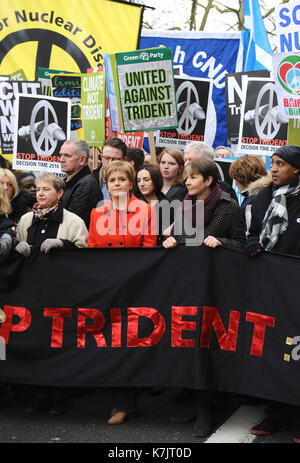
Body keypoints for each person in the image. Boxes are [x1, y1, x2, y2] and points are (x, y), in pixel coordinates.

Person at [162, 157, 245, 438]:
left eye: (194, 177)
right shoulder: (183, 205)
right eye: (187, 177)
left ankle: (207, 411)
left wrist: (222, 242)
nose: (187, 182)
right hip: (186, 283)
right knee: (188, 343)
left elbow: (241, 243)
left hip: (214, 287)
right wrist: (170, 239)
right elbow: (181, 239)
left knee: (206, 345)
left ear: (208, 180)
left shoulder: (228, 207)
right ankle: (196, 402)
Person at [88, 160, 157, 424]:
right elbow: (93, 248)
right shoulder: (98, 212)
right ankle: (121, 401)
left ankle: (125, 403)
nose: (116, 184)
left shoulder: (146, 210)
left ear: (131, 183)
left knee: (127, 344)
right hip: (106, 286)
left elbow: (149, 249)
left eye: (121, 180)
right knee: (108, 343)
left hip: (135, 287)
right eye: (111, 180)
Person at [15, 173, 88, 414]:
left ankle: (60, 397)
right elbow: (17, 251)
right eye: (37, 189)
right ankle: (39, 396)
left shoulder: (74, 221)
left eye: (46, 189)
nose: (40, 193)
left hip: (62, 293)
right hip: (33, 292)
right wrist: (19, 247)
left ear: (60, 193)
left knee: (59, 345)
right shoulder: (26, 220)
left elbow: (85, 253)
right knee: (36, 342)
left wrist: (64, 245)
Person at [244, 145, 300, 442]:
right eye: (272, 163)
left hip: (296, 285)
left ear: (296, 169)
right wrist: (252, 243)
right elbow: (252, 231)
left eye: (280, 164)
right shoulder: (264, 195)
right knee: (275, 348)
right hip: (271, 285)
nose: (274, 168)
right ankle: (276, 412)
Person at [59, 138, 102, 229]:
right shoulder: (67, 180)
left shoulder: (87, 185)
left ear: (82, 160)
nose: (61, 160)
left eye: (67, 155)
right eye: (61, 155)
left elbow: (73, 223)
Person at [229, 155, 271, 234]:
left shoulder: (251, 203)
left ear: (239, 178)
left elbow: (248, 234)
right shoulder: (267, 192)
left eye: (234, 178)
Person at [135, 164, 170, 245]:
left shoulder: (168, 206)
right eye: (138, 181)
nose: (141, 184)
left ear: (156, 180)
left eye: (146, 180)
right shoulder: (132, 205)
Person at [94, 137, 127, 201]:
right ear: (101, 157)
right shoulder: (91, 181)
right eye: (107, 158)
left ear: (124, 160)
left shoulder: (132, 181)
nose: (110, 162)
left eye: (115, 159)